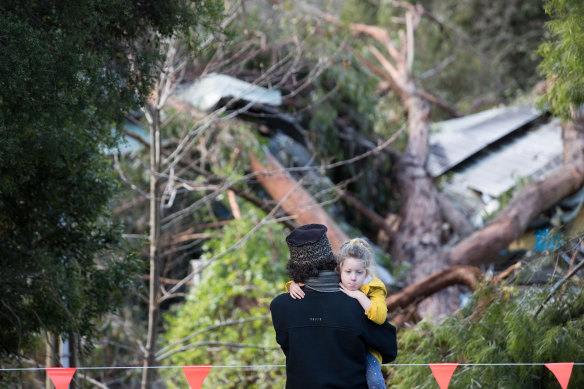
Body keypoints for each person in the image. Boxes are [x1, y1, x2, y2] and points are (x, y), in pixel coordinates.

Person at [270, 224, 397, 388]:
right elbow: (389, 349)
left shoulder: (280, 307)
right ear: (333, 260)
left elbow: (291, 348)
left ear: (295, 266)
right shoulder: (359, 304)